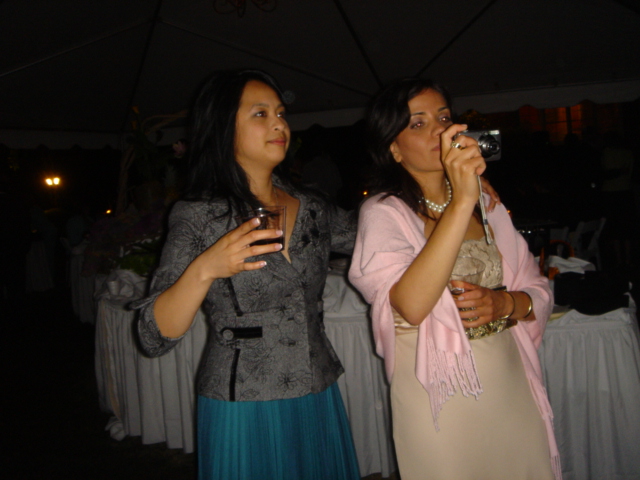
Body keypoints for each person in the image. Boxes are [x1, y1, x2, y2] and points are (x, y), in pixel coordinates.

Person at [134, 69, 360, 480]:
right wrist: (205, 268)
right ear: (224, 129)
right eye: (260, 114)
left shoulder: (313, 207)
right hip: (243, 400)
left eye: (281, 113)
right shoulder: (200, 216)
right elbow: (152, 336)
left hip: (316, 389)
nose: (279, 124)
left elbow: (380, 237)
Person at [348, 78, 561, 480]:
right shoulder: (384, 212)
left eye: (444, 118)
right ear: (394, 148)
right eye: (418, 123)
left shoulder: (487, 203)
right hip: (439, 396)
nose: (440, 132)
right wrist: (462, 201)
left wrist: (506, 303)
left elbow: (537, 287)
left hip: (508, 384)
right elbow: (412, 305)